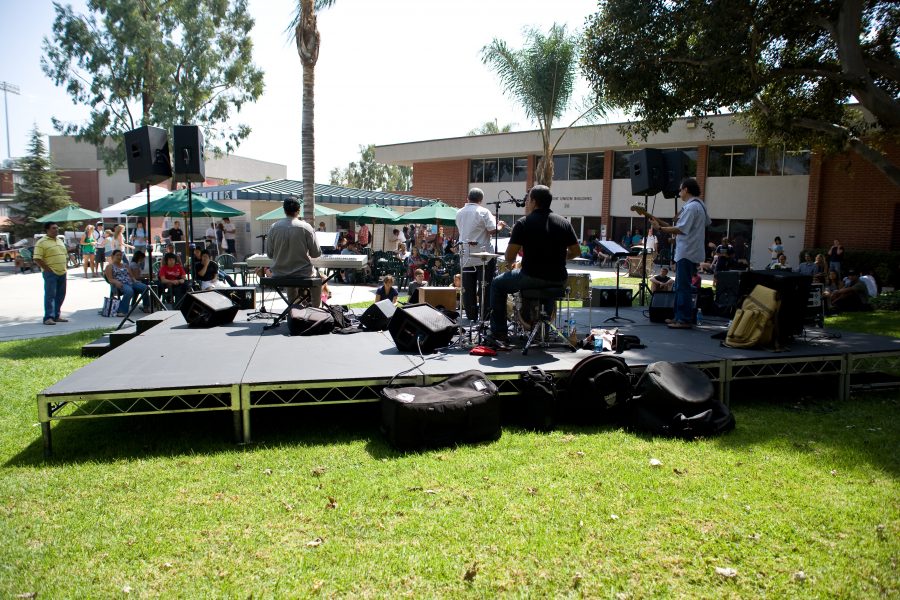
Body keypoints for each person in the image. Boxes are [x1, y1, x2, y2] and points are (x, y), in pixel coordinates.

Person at [489, 185, 579, 346]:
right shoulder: (564, 222)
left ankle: (499, 333)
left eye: (528, 199)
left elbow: (509, 256)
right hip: (558, 279)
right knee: (548, 285)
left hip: (531, 276)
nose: (526, 203)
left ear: (534, 201)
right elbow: (576, 251)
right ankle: (542, 331)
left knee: (497, 284)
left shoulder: (524, 223)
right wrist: (558, 257)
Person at [648, 177, 711, 329]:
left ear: (686, 190)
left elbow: (681, 229)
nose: (679, 192)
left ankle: (683, 319)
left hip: (686, 252)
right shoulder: (700, 205)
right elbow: (702, 224)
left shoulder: (690, 208)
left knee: (683, 287)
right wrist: (661, 223)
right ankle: (678, 316)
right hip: (691, 250)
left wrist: (660, 228)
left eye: (680, 189)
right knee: (681, 285)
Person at [455, 187, 507, 321]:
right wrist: (500, 225)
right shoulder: (483, 211)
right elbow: (492, 230)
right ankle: (485, 315)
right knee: (486, 286)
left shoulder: (459, 212)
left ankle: (471, 315)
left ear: (468, 198)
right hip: (483, 255)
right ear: (481, 200)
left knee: (468, 287)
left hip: (466, 255)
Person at [267, 197, 322, 304]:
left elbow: (270, 254)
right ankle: (316, 310)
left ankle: (293, 310)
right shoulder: (306, 227)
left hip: (279, 274)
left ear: (284, 210)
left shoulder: (273, 227)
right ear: (298, 210)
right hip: (302, 274)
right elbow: (315, 254)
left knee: (290, 280)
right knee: (318, 279)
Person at [33, 222, 70, 325]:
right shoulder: (41, 242)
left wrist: (66, 264)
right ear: (47, 230)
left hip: (62, 272)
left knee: (60, 295)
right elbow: (37, 258)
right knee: (50, 295)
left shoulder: (59, 240)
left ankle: (56, 315)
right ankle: (48, 317)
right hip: (50, 273)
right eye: (54, 228)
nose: (56, 230)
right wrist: (47, 269)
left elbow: (65, 254)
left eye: (57, 228)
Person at [104, 249, 149, 316]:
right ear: (113, 256)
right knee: (129, 291)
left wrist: (135, 280)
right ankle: (122, 311)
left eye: (120, 255)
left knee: (145, 287)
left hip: (130, 282)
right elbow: (110, 279)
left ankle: (146, 307)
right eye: (117, 255)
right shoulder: (109, 266)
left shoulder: (125, 265)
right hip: (120, 283)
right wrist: (116, 282)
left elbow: (131, 275)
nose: (119, 257)